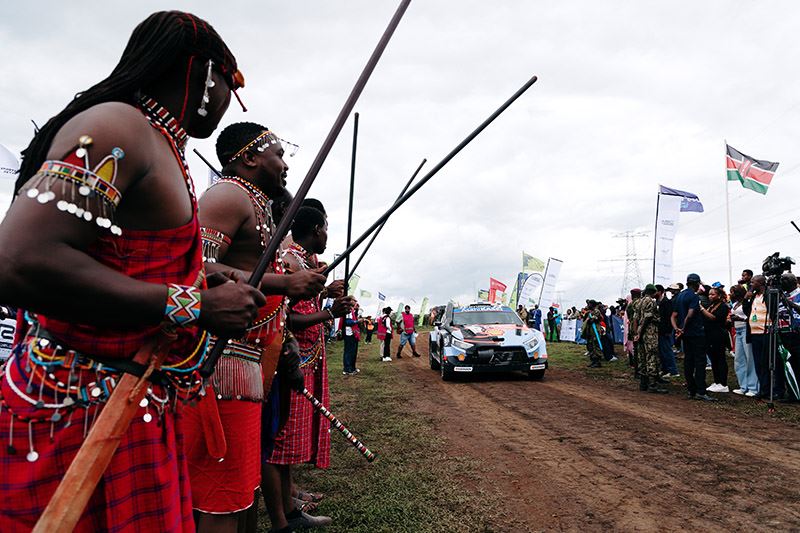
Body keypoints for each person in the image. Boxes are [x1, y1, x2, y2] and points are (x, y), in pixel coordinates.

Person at [0, 11, 273, 532]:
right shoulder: (116, 127)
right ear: (205, 72)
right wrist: (195, 304)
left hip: (132, 404)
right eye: (230, 85)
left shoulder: (158, 143)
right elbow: (18, 262)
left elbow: (122, 259)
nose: (226, 102)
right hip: (74, 411)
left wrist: (200, 279)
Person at [181, 122, 330, 532]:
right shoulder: (228, 196)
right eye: (278, 154)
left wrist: (286, 353)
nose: (284, 165)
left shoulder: (258, 205)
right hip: (222, 361)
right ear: (248, 157)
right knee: (221, 495)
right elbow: (196, 269)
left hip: (251, 364)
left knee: (243, 491)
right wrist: (286, 282)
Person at [266, 207, 354, 531]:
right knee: (279, 441)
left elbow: (305, 305)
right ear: (316, 229)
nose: (327, 234)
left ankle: (290, 507)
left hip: (304, 358)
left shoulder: (302, 261)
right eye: (326, 227)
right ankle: (283, 518)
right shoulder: (289, 260)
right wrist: (329, 314)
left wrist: (327, 296)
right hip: (289, 361)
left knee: (286, 443)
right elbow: (287, 317)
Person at [672, 274, 716, 401]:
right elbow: (690, 315)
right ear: (697, 284)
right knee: (700, 362)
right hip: (696, 333)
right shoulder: (693, 296)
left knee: (688, 361)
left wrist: (677, 329)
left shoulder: (680, 295)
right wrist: (683, 328)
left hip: (685, 335)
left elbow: (673, 315)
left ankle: (691, 390)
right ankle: (700, 391)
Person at [743, 275, 786, 401]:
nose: (751, 283)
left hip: (768, 333)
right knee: (759, 363)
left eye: (753, 281)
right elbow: (747, 312)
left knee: (772, 362)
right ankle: (764, 389)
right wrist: (746, 300)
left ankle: (778, 390)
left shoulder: (769, 294)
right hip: (755, 334)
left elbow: (775, 311)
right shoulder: (753, 296)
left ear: (761, 283)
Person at [635, 285, 667, 393]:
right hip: (649, 332)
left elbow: (635, 319)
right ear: (653, 292)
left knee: (642, 356)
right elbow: (648, 317)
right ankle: (652, 384)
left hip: (640, 332)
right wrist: (641, 331)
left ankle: (643, 383)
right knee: (651, 356)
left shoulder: (638, 302)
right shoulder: (651, 302)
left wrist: (636, 333)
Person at [699, 286, 731, 393]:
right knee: (714, 360)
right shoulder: (712, 305)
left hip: (718, 335)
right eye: (709, 294)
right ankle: (717, 381)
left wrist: (702, 309)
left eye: (713, 294)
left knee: (720, 359)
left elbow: (713, 318)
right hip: (710, 335)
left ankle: (723, 383)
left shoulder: (723, 306)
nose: (710, 296)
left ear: (719, 296)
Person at [729, 284, 758, 396]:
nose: (730, 294)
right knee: (739, 359)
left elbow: (751, 316)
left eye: (732, 292)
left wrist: (740, 318)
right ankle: (743, 386)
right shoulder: (735, 304)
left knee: (750, 359)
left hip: (746, 330)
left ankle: (753, 387)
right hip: (738, 331)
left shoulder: (748, 302)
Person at [778, 273, 800, 401]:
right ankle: (793, 393)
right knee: (789, 364)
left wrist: (790, 304)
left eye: (785, 279)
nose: (782, 282)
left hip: (798, 334)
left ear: (793, 281)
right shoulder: (782, 296)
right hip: (785, 334)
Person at [656, 284, 680, 378]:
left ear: (660, 292)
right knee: (662, 351)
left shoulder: (666, 302)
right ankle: (665, 369)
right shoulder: (658, 302)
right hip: (660, 330)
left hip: (665, 330)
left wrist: (668, 330)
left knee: (667, 350)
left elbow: (669, 317)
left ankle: (673, 370)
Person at [582, 300, 604, 368]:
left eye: (589, 304)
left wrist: (592, 319)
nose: (588, 305)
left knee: (595, 346)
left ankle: (597, 361)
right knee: (590, 346)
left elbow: (597, 319)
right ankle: (593, 360)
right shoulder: (589, 312)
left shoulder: (596, 311)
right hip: (590, 331)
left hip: (595, 331)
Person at [341, 303, 360, 375]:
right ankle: (347, 369)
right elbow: (347, 322)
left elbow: (354, 318)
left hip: (354, 333)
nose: (357, 304)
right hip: (349, 334)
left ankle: (352, 367)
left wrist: (357, 310)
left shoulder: (353, 311)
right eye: (355, 302)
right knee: (349, 351)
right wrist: (358, 321)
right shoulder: (347, 311)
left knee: (354, 351)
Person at [627, 288, 642, 376]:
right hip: (638, 328)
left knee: (635, 350)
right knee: (640, 351)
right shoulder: (639, 303)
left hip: (632, 328)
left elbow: (629, 317)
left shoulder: (630, 304)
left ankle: (636, 370)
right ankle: (639, 370)